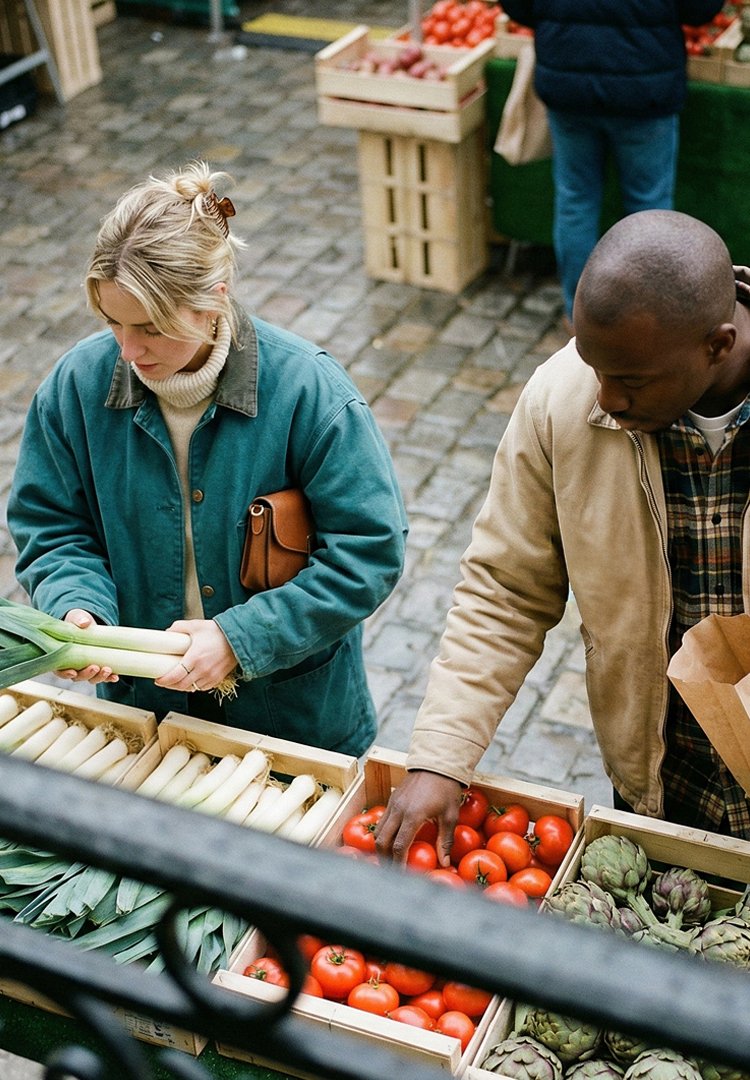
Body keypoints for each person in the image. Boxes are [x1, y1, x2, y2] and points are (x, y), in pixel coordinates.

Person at [375, 209, 750, 863]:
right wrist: (441, 756)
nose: (604, 399)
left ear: (717, 346)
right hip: (661, 789)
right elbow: (505, 590)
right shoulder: (560, 400)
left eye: (629, 381)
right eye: (591, 364)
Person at [7, 161, 408, 757]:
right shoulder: (74, 389)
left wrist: (240, 639)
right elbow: (53, 526)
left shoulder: (312, 394)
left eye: (150, 327)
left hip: (292, 723)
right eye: (113, 323)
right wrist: (76, 605)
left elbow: (368, 552)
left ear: (212, 302)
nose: (128, 350)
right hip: (144, 715)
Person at [498, 0, 725, 324]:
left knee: (576, 201)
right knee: (648, 207)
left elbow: (518, 6)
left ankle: (579, 318)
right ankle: (646, 322)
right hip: (643, 85)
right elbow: (699, 9)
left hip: (570, 81)